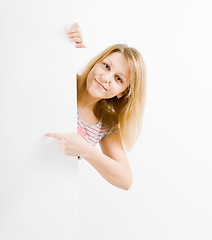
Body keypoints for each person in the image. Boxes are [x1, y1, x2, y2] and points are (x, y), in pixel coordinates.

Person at [45, 22, 146, 190]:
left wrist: (86, 150)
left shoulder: (106, 123)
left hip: (50, 191)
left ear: (123, 92)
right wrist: (62, 40)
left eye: (118, 79)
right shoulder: (64, 79)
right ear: (96, 62)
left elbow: (126, 180)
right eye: (106, 66)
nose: (106, 78)